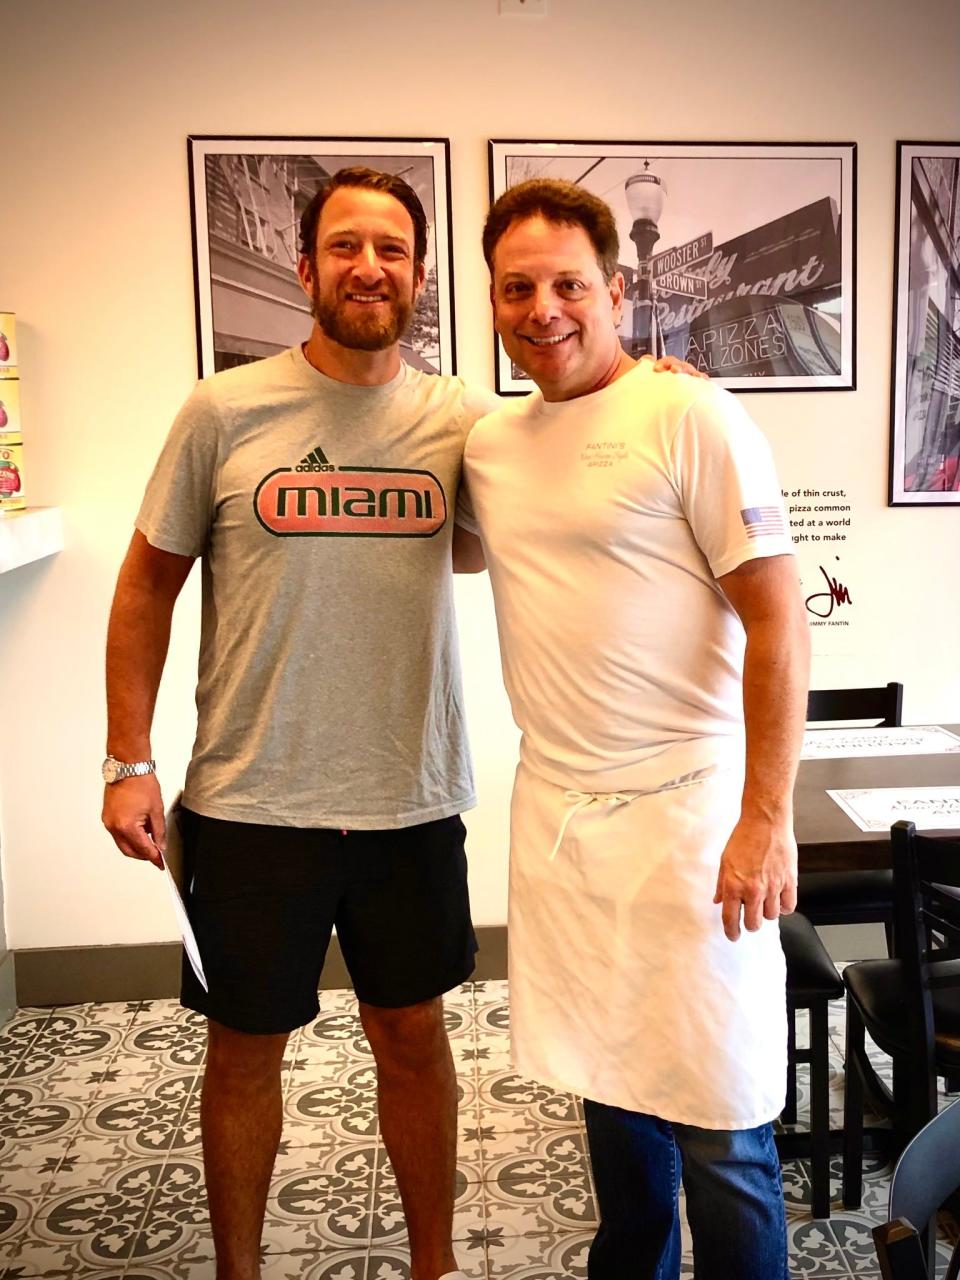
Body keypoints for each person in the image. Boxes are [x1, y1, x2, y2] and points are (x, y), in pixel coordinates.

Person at [101, 167, 494, 1280]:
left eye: (393, 249)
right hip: (247, 800)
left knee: (413, 1039)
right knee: (243, 1049)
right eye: (345, 246)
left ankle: (434, 1264)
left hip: (409, 797)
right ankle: (240, 1270)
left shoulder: (465, 419)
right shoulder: (223, 409)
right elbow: (143, 587)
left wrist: (651, 385)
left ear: (421, 273)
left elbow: (581, 464)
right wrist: (129, 758)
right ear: (304, 264)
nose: (370, 266)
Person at [458, 179, 810, 1280]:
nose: (543, 307)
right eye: (518, 287)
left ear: (616, 292)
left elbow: (779, 618)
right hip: (563, 819)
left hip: (694, 820)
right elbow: (448, 544)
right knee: (611, 1096)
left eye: (570, 283)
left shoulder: (690, 412)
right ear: (495, 301)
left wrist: (766, 815)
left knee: (719, 1117)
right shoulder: (492, 443)